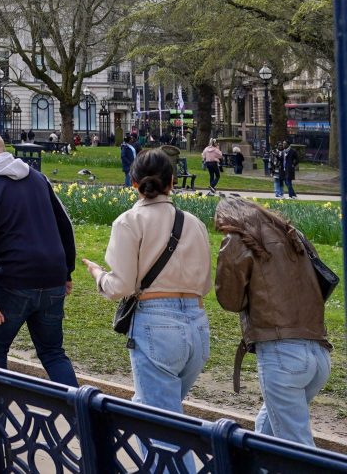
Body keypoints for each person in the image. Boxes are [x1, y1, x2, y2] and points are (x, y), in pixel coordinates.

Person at [0, 129, 77, 451]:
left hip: (12, 284)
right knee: (53, 353)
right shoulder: (38, 178)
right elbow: (65, 224)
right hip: (51, 279)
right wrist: (67, 270)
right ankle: (84, 426)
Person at [82, 149, 211, 413]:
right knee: (156, 412)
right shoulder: (195, 223)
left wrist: (98, 275)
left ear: (134, 183)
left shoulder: (129, 222)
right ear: (172, 182)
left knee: (159, 427)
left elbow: (122, 286)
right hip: (197, 325)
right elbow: (205, 283)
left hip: (155, 323)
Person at [214, 196, 332, 446]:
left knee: (297, 449)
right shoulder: (293, 234)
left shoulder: (236, 239)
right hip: (318, 351)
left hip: (282, 354)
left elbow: (230, 300)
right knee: (266, 432)